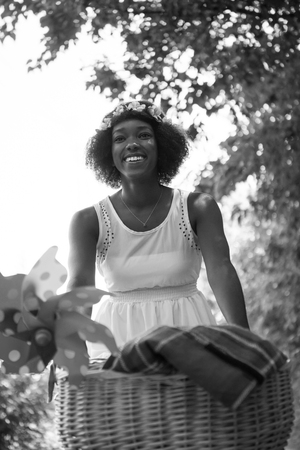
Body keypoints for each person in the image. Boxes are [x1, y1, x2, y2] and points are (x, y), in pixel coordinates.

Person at [67, 99, 249, 358]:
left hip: (189, 333)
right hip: (118, 343)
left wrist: (245, 340)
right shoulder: (88, 221)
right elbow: (79, 286)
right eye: (120, 139)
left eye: (144, 135)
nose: (132, 144)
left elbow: (221, 271)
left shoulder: (198, 207)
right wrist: (70, 351)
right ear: (108, 153)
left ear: (161, 145)